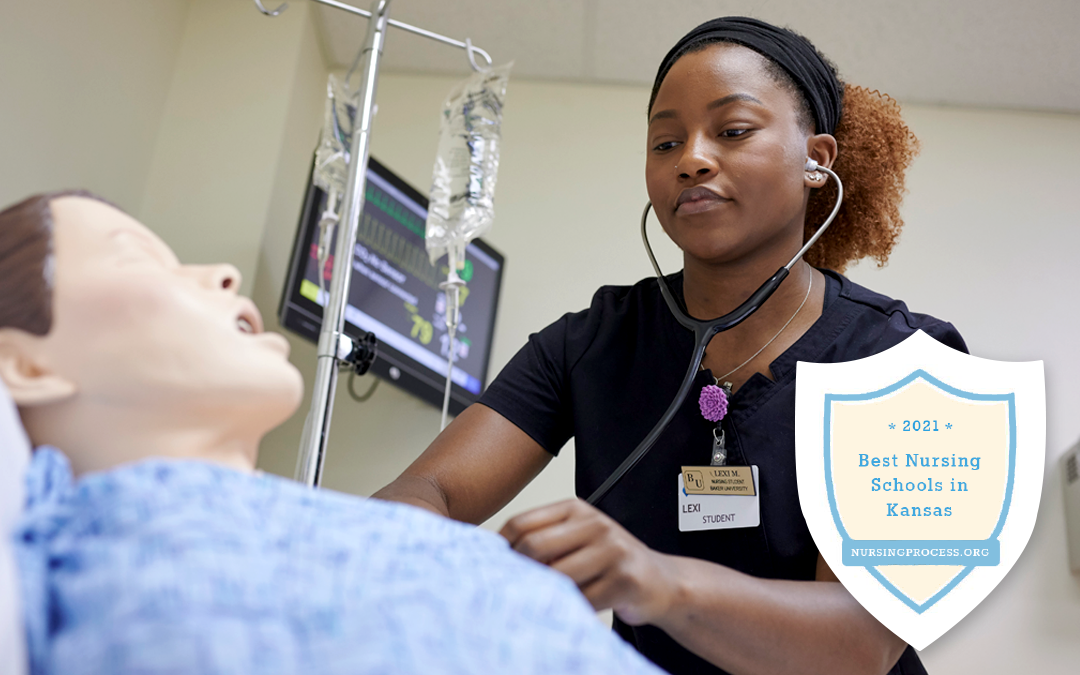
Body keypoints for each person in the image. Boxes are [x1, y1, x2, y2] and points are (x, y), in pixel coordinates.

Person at [373, 17, 966, 675]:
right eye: (665, 141)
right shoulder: (591, 340)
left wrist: (652, 580)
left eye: (733, 130)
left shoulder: (909, 362)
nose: (692, 158)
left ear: (816, 161)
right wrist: (401, 539)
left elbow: (860, 644)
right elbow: (433, 488)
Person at [0, 191, 666, 675]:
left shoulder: (300, 533)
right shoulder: (110, 555)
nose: (223, 275)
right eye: (141, 260)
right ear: (21, 364)